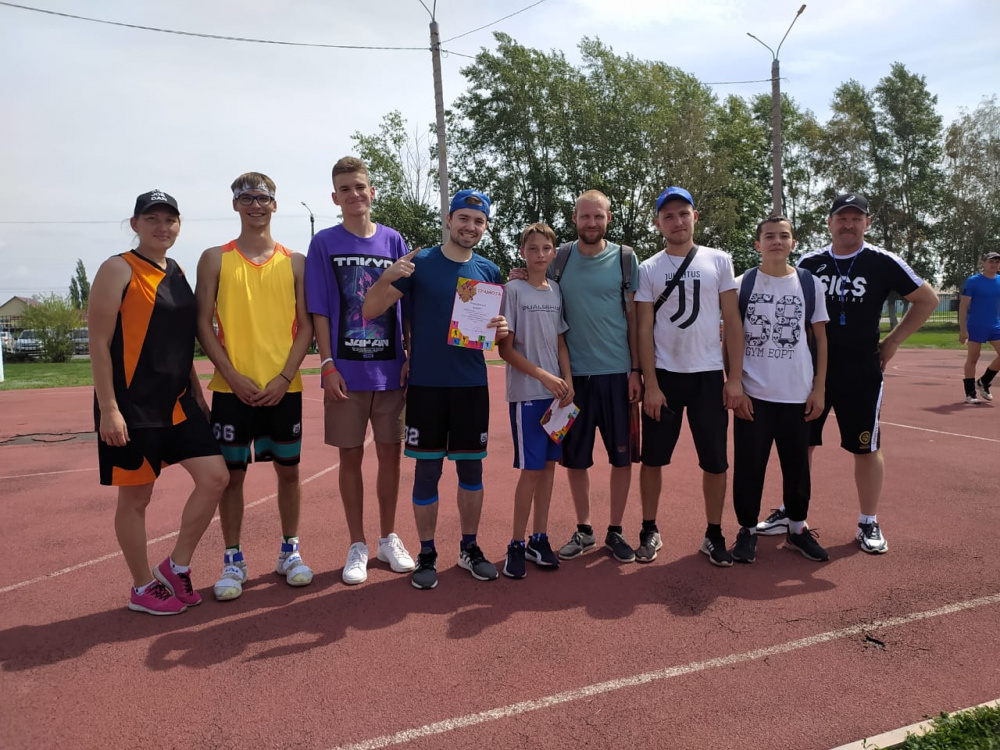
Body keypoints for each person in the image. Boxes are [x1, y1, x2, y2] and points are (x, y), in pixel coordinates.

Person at [759, 193, 938, 554]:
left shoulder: (881, 261)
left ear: (867, 223)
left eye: (856, 218)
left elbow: (928, 299)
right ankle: (792, 511)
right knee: (801, 444)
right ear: (830, 223)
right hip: (809, 371)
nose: (848, 224)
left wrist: (893, 341)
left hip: (860, 371)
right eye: (842, 218)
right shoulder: (810, 263)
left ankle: (868, 521)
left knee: (865, 446)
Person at [89, 190, 228, 615]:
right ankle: (141, 586)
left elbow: (180, 342)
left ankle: (175, 564)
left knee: (215, 477)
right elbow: (98, 343)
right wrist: (109, 409)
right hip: (133, 407)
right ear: (135, 224)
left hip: (179, 403)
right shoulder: (118, 268)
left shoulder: (177, 271)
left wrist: (197, 391)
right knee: (136, 499)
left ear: (179, 226)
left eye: (170, 219)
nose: (161, 227)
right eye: (152, 219)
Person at [361, 190, 509, 590]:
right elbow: (370, 309)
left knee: (471, 470)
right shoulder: (420, 263)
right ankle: (427, 553)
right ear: (449, 219)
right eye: (464, 218)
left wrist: (501, 329)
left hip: (471, 385)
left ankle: (469, 548)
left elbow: (492, 333)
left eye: (478, 221)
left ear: (485, 226)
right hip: (427, 385)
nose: (470, 227)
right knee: (427, 471)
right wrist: (388, 275)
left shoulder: (489, 270)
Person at [196, 173, 315, 602]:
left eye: (263, 198)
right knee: (231, 477)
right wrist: (230, 374)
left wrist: (284, 378)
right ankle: (233, 560)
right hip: (232, 391)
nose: (255, 205)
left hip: (285, 388)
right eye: (246, 198)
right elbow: (202, 323)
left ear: (274, 205)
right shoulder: (214, 258)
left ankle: (289, 551)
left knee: (289, 471)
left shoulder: (296, 261)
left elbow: (306, 327)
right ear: (235, 205)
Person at [512, 190, 642, 564]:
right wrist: (520, 275)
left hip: (616, 373)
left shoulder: (625, 258)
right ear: (575, 218)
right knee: (576, 460)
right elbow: (539, 283)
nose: (591, 222)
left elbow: (634, 318)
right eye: (585, 216)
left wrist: (636, 370)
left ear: (608, 218)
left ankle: (615, 530)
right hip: (572, 381)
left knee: (621, 459)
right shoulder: (561, 258)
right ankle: (584, 529)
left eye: (598, 216)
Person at [305, 156, 415, 585]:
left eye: (360, 186)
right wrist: (326, 363)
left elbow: (406, 302)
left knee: (391, 455)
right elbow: (319, 308)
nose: (354, 194)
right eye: (345, 189)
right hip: (346, 372)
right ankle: (357, 544)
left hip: (390, 370)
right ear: (335, 198)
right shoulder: (324, 243)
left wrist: (409, 354)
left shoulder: (393, 240)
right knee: (349, 457)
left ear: (372, 191)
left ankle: (388, 537)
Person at [635, 187, 744, 566]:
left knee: (715, 462)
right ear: (658, 223)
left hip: (708, 377)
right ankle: (649, 528)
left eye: (683, 213)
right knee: (652, 459)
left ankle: (713, 533)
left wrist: (734, 378)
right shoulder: (649, 268)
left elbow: (733, 322)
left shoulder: (719, 261)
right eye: (668, 216)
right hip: (665, 377)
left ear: (695, 217)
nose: (677, 221)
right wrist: (650, 384)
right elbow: (643, 328)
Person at [729, 216, 830, 564]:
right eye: (769, 236)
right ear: (757, 244)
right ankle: (747, 530)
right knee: (749, 467)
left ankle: (797, 529)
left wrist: (819, 388)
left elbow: (820, 338)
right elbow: (729, 338)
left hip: (797, 395)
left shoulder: (809, 284)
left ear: (793, 243)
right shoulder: (742, 284)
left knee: (798, 467)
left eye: (783, 236)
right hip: (754, 395)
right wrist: (735, 383)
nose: (776, 241)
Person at [497, 223, 573, 579]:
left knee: (548, 469)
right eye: (533, 248)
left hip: (556, 397)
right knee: (530, 471)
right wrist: (544, 375)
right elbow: (506, 349)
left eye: (546, 248)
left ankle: (538, 539)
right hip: (528, 395)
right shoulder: (512, 290)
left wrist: (567, 380)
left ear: (553, 253)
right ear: (522, 252)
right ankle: (515, 543)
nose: (540, 254)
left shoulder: (556, 290)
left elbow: (560, 341)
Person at [958, 251, 1000, 404]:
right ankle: (970, 394)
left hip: (995, 325)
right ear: (983, 263)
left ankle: (983, 382)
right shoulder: (973, 281)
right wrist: (963, 330)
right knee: (973, 358)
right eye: (991, 261)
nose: (994, 264)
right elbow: (963, 306)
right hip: (976, 325)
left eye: (997, 262)